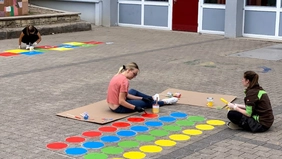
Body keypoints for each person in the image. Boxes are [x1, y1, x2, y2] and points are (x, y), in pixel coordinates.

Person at [107, 62, 178, 113]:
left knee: (133, 91)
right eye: (134, 74)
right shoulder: (124, 81)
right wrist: (135, 108)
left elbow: (126, 95)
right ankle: (164, 102)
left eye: (136, 75)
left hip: (111, 105)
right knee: (145, 103)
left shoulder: (117, 75)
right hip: (118, 108)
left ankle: (152, 98)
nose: (134, 76)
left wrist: (142, 98)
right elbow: (121, 101)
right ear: (128, 70)